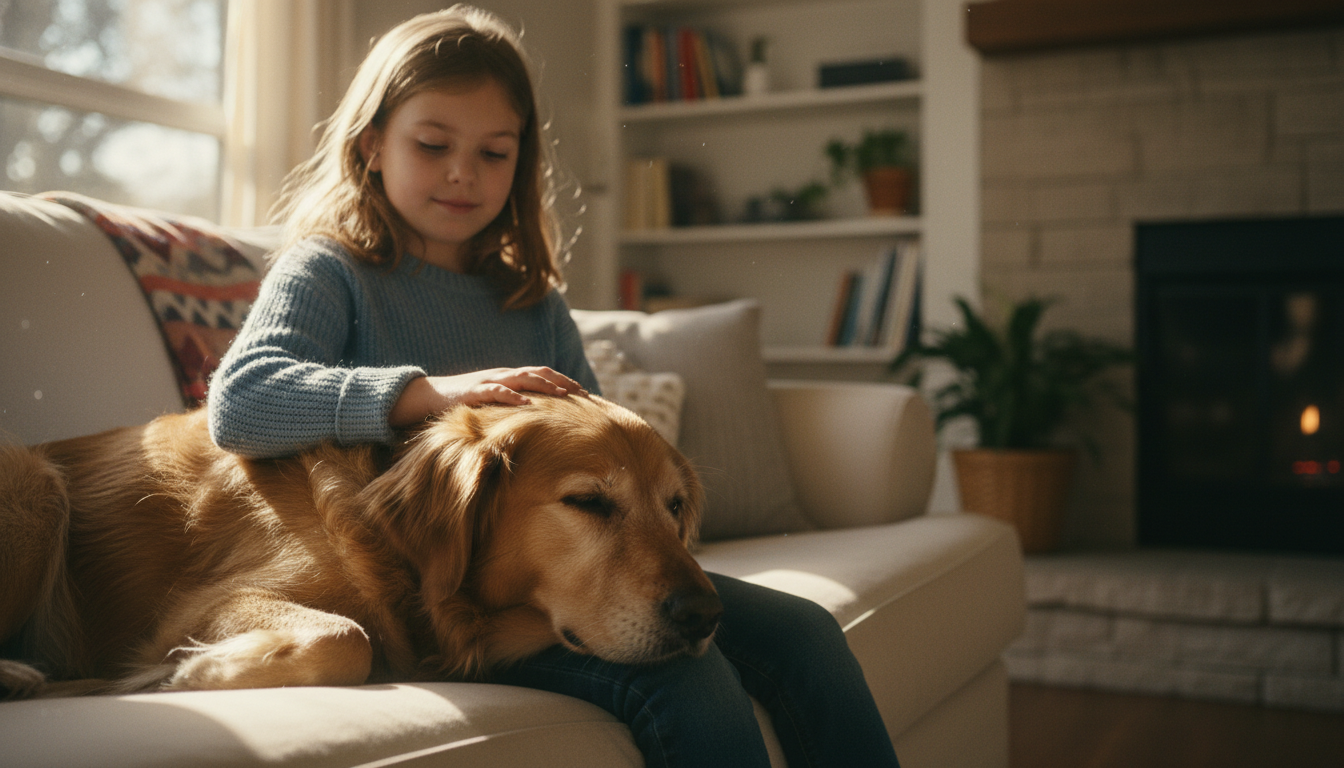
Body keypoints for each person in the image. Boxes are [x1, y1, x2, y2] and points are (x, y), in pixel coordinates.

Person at [207, 6, 900, 767]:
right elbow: (241, 402)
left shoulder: (534, 305)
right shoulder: (330, 271)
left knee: (807, 631)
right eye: (432, 144)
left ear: (522, 162)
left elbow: (613, 452)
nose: (462, 173)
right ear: (372, 145)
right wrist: (432, 394)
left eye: (494, 153)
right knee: (686, 681)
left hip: (566, 576)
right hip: (448, 596)